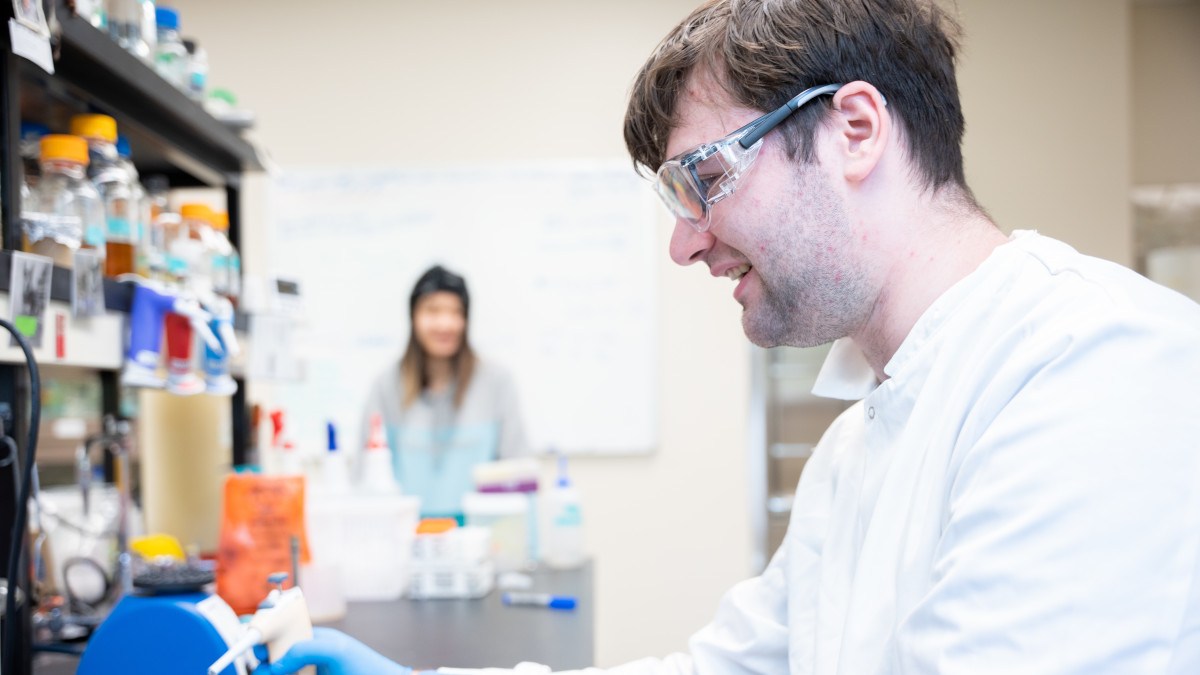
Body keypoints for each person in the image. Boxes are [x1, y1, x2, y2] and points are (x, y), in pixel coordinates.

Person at [258, 0, 1200, 673]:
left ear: (856, 129)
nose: (683, 240)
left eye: (702, 177)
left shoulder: (1094, 366)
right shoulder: (857, 449)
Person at [359, 264, 530, 519]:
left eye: (455, 312)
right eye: (433, 310)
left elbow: (519, 475)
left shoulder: (497, 382)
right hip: (406, 538)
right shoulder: (386, 387)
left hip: (480, 537)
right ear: (413, 316)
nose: (445, 323)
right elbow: (365, 476)